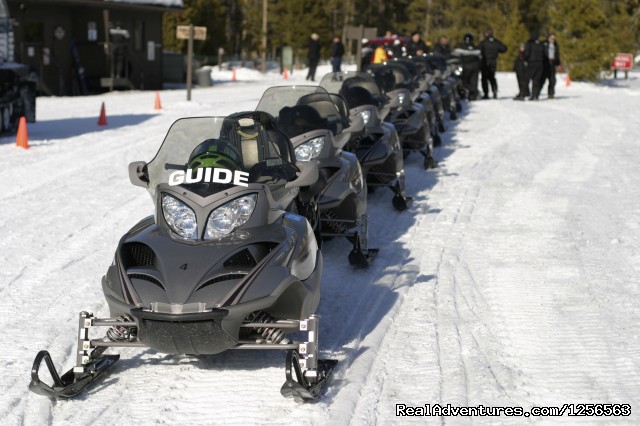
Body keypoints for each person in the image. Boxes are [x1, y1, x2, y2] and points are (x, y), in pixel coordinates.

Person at [452, 33, 481, 100]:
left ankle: (465, 93)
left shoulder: (460, 48)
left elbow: (454, 56)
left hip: (464, 66)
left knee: (464, 81)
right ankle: (472, 94)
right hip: (474, 66)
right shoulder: (476, 48)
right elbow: (480, 57)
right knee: (473, 81)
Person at [479, 29, 507, 99]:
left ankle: (486, 93)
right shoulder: (496, 42)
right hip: (493, 61)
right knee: (492, 77)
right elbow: (504, 49)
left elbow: (479, 50)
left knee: (484, 78)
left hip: (485, 61)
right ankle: (494, 91)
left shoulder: (483, 43)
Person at [524, 30, 545, 100]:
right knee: (536, 80)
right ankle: (535, 95)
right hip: (540, 63)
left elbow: (526, 53)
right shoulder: (541, 44)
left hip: (531, 63)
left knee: (526, 79)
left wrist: (525, 59)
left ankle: (524, 93)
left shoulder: (529, 43)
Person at [544, 33, 561, 99]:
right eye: (551, 38)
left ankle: (551, 94)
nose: (553, 40)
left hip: (552, 63)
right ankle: (535, 93)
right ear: (548, 38)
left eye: (554, 38)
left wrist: (558, 64)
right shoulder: (545, 44)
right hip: (545, 63)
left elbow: (557, 55)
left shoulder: (556, 45)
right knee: (541, 80)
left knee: (552, 80)